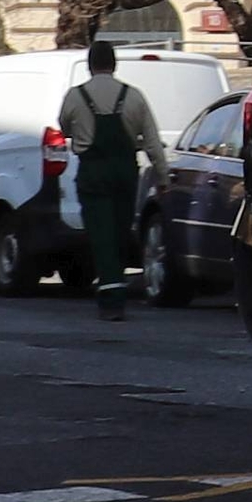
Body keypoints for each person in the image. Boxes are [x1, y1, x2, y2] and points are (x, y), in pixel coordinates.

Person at [58, 42, 169, 320]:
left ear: (90, 65)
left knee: (100, 234)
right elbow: (153, 142)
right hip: (125, 172)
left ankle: (111, 298)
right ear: (114, 64)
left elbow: (63, 126)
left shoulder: (75, 96)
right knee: (120, 233)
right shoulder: (134, 96)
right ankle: (116, 288)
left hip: (92, 172)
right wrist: (163, 176)